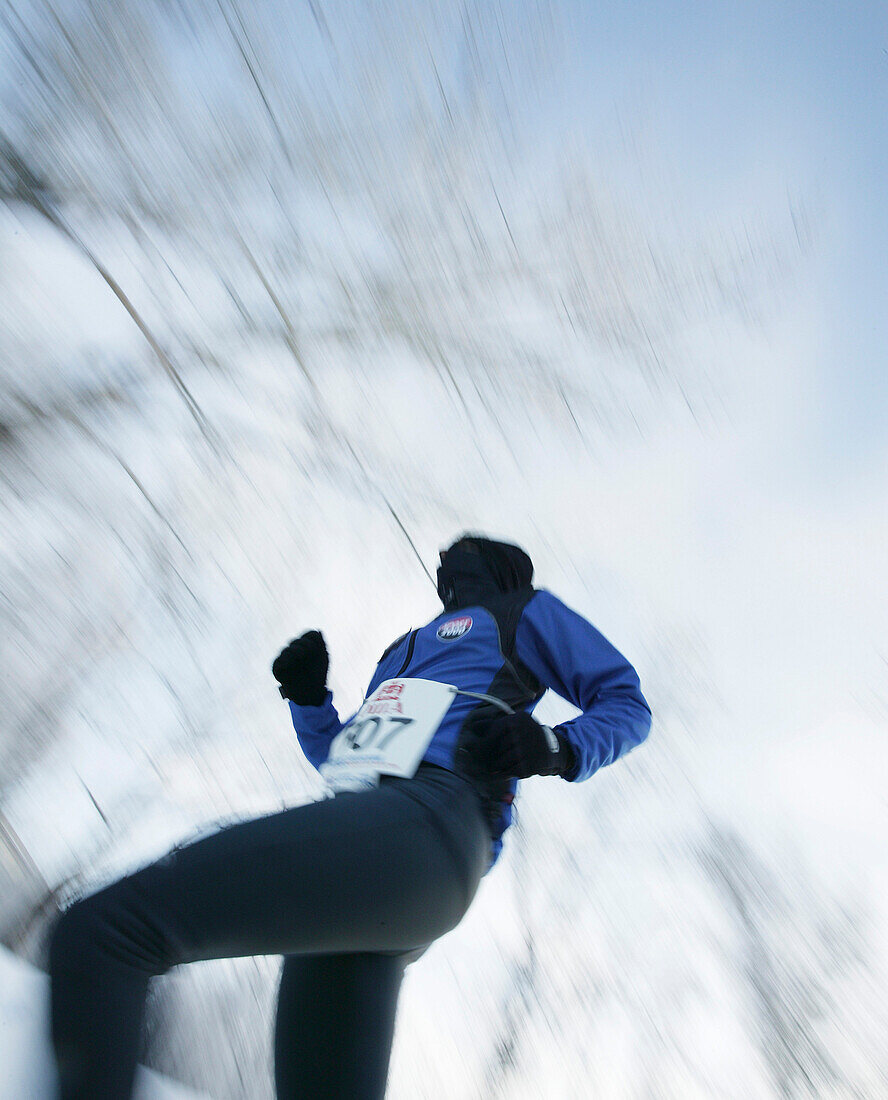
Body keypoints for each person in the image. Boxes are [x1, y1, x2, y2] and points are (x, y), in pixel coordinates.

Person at [48, 534, 651, 1100]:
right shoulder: (400, 650)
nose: (445, 563)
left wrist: (556, 746)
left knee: (105, 934)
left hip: (432, 827)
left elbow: (626, 702)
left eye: (461, 554)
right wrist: (310, 701)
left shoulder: (524, 612)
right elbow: (345, 757)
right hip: (372, 861)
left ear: (495, 564)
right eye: (442, 561)